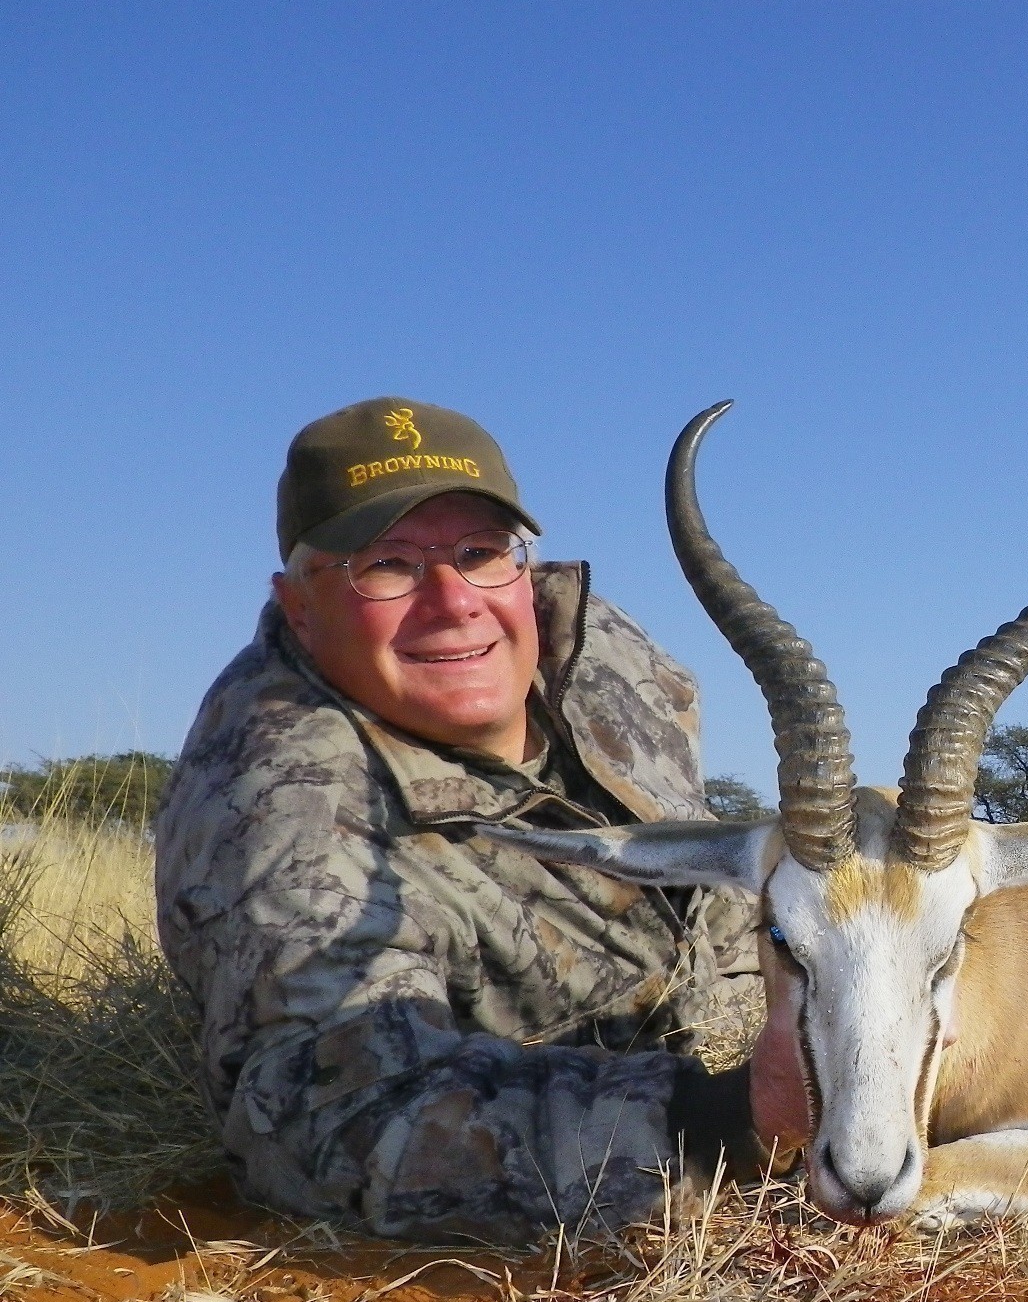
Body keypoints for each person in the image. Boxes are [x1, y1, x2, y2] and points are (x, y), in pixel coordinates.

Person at [155, 397, 796, 1244]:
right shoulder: (280, 806)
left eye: (480, 552)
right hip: (603, 1114)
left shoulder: (596, 645)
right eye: (386, 564)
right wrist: (726, 1119)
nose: (454, 601)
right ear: (299, 606)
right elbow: (328, 1131)